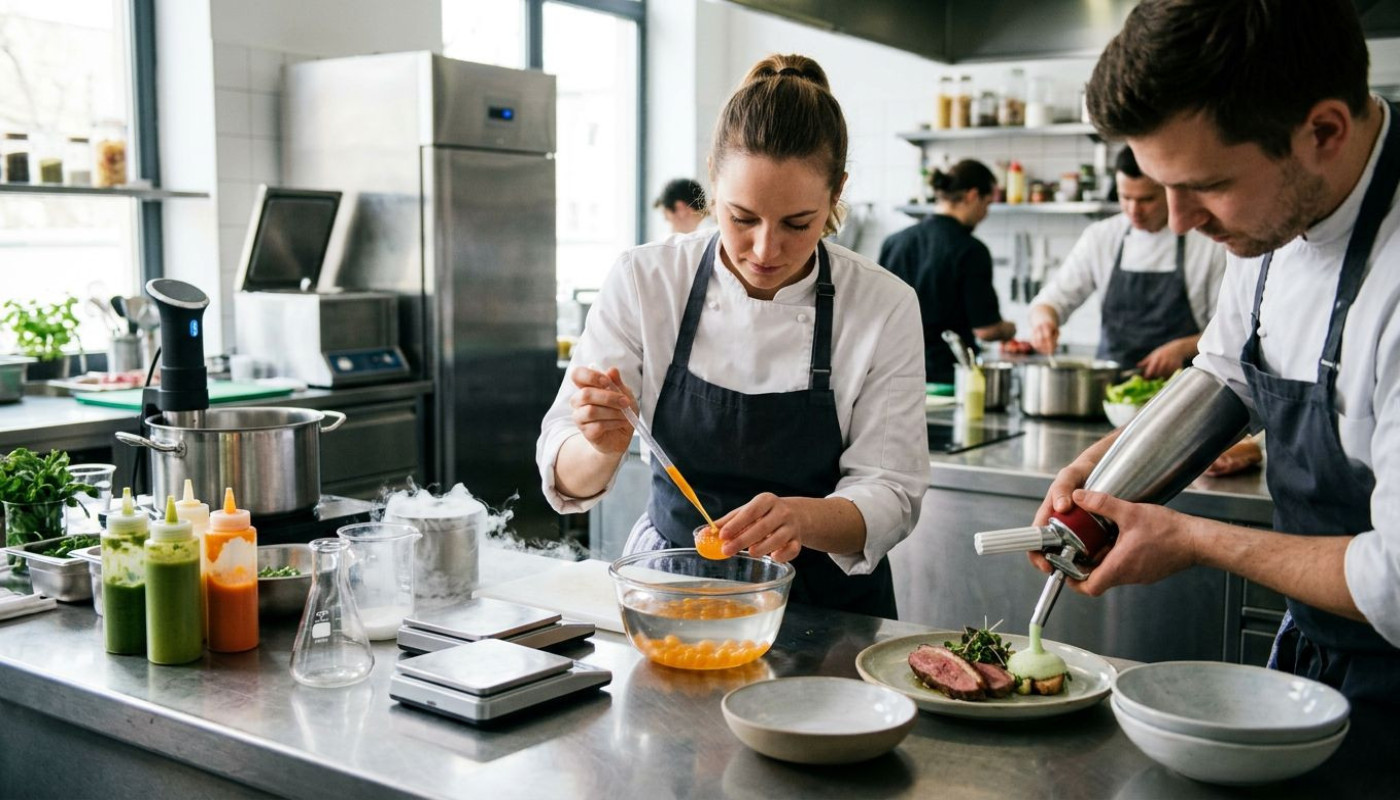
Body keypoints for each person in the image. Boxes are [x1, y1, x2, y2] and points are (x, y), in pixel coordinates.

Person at [1034, 0, 1400, 711]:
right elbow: (1227, 376)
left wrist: (1193, 539)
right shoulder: (1271, 216)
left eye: (1206, 186)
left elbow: (1393, 580)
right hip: (1317, 651)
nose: (1180, 222)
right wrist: (1104, 474)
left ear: (1324, 132)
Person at [538, 54, 928, 618]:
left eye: (798, 223)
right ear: (712, 181)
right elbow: (566, 474)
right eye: (742, 217)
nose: (766, 250)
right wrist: (601, 448)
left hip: (828, 611)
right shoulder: (647, 280)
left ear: (837, 192)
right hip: (672, 594)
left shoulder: (882, 304)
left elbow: (892, 491)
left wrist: (803, 519)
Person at [1028, 147, 1227, 377]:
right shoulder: (1101, 237)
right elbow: (1051, 301)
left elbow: (1225, 329)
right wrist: (1044, 323)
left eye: (1146, 200)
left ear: (1170, 191)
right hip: (1109, 385)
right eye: (1125, 198)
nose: (1134, 210)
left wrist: (1182, 348)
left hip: (1184, 386)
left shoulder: (1206, 243)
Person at [877, 160, 1016, 383]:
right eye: (987, 204)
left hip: (894, 374)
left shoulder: (894, 242)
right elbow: (987, 330)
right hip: (947, 376)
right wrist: (1008, 330)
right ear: (972, 196)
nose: (985, 214)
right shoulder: (971, 250)